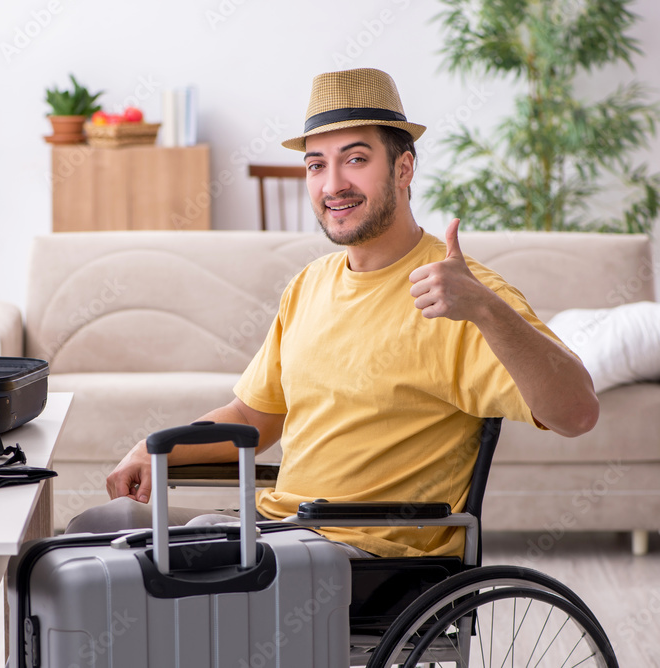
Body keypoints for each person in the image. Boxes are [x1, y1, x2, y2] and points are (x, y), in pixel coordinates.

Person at [66, 68, 599, 559]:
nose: (333, 184)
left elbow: (577, 413)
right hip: (279, 529)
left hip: (364, 558)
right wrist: (152, 449)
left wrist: (486, 308)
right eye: (317, 164)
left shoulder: (462, 294)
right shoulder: (310, 284)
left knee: (136, 572)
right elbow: (255, 418)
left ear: (404, 167)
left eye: (356, 159)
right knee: (94, 529)